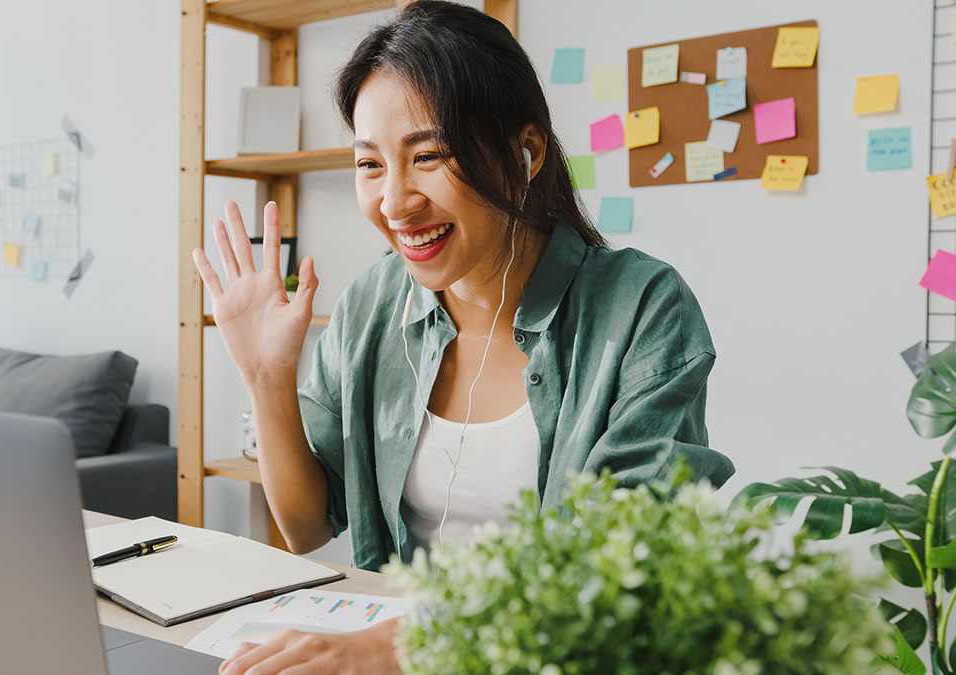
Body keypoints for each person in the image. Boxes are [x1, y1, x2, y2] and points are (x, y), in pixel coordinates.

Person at [192, 2, 735, 673]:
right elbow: (307, 526)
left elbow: (624, 569)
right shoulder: (372, 303)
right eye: (369, 164)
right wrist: (267, 377)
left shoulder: (643, 308)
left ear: (525, 151)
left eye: (429, 156)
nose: (394, 201)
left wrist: (386, 650)